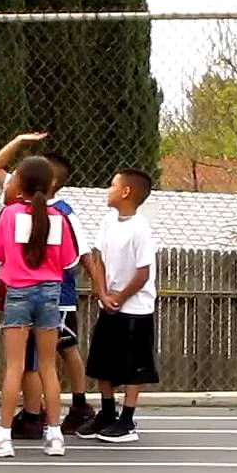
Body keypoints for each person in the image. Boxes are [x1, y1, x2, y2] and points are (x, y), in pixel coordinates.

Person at [0, 134, 97, 436]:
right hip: (50, 293)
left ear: (21, 182)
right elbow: (70, 260)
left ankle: (8, 432)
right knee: (46, 365)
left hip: (21, 293)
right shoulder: (59, 218)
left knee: (20, 365)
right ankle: (54, 432)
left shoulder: (11, 214)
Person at [77, 168, 160, 444]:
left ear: (126, 192)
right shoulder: (108, 221)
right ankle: (107, 412)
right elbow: (98, 260)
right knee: (102, 361)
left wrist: (121, 297)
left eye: (113, 185)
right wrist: (103, 293)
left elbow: (143, 273)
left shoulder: (140, 229)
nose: (108, 190)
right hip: (109, 304)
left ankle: (127, 419)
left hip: (135, 308)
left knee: (134, 366)